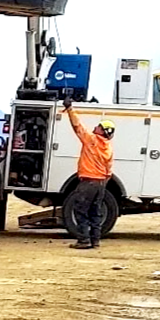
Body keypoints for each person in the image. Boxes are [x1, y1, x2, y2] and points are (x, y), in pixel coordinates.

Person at [61, 99, 116, 249]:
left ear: (103, 131)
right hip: (100, 184)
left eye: (99, 126)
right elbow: (109, 169)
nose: (95, 127)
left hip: (88, 182)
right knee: (95, 212)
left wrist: (70, 109)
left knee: (81, 210)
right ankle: (95, 240)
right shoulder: (108, 148)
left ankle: (83, 240)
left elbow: (77, 126)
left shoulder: (91, 140)